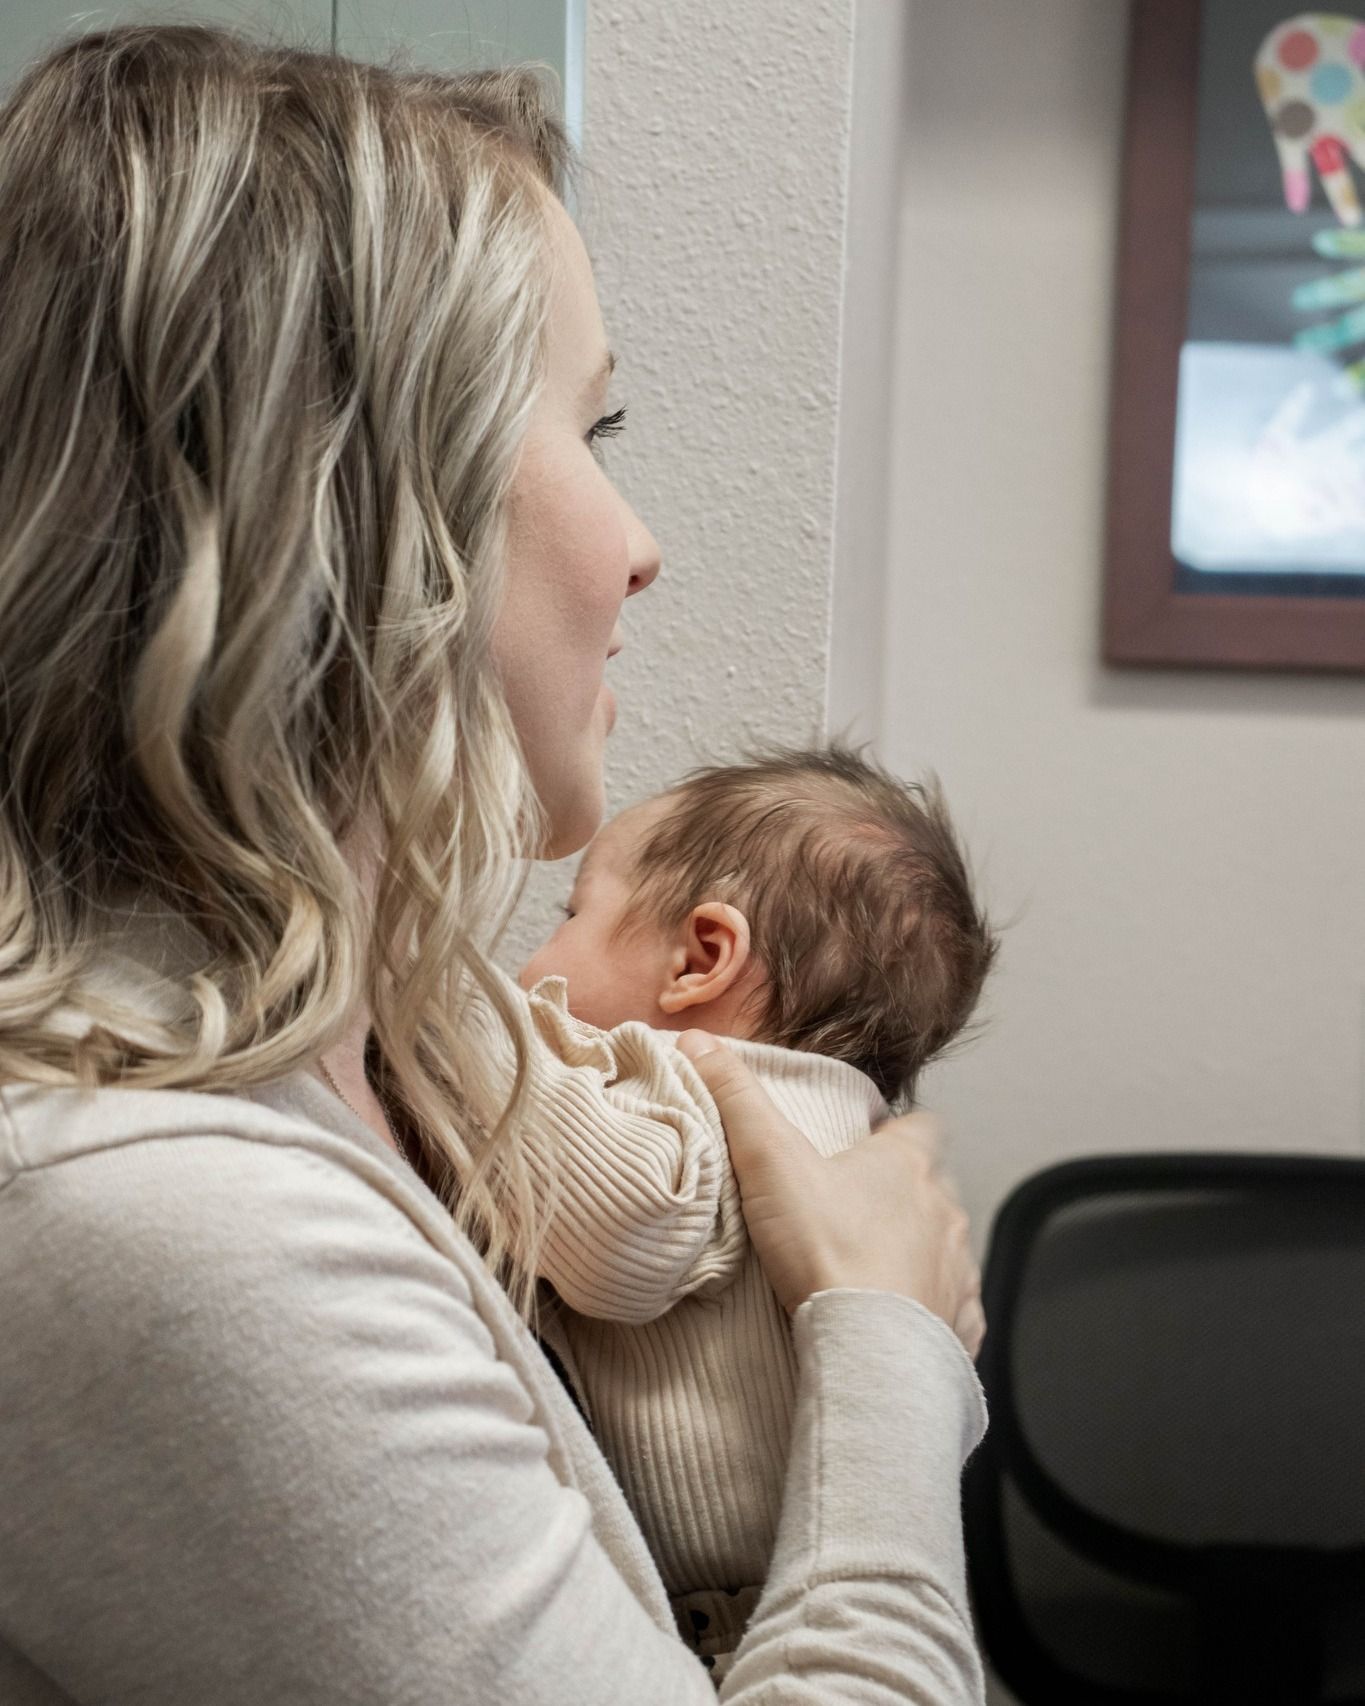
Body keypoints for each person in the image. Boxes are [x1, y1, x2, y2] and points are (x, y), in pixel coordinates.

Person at [0, 22, 988, 1704]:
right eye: (593, 434)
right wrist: (886, 1336)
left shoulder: (359, 1039)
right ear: (375, 499)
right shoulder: (171, 1221)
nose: (642, 546)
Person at [503, 745, 1001, 1677]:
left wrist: (431, 998)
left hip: (742, 1641)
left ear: (701, 958)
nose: (530, 963)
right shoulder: (851, 1139)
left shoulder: (718, 1101)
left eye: (568, 915)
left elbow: (624, 1239)